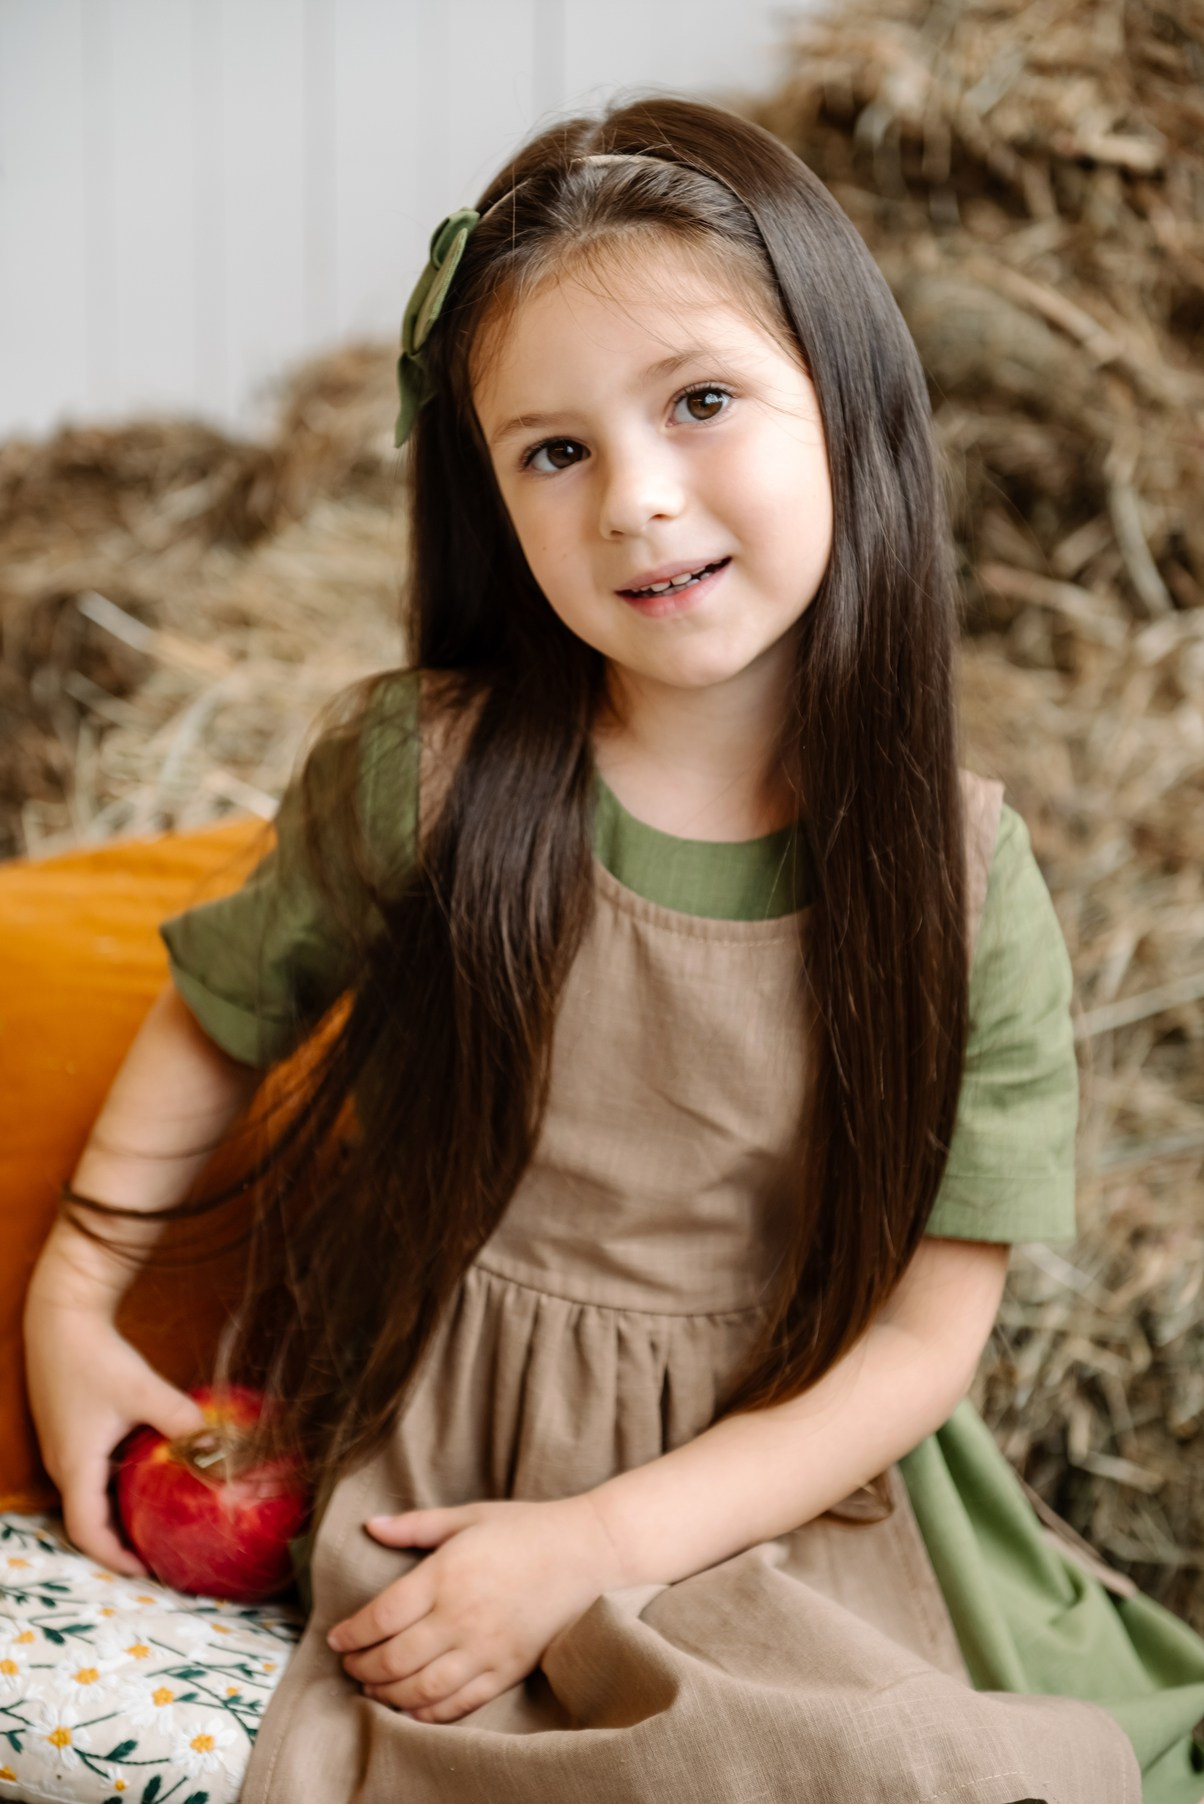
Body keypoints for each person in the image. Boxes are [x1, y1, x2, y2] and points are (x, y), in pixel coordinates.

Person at [23, 95, 1204, 1804]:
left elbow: (925, 1345)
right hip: (465, 1445)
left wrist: (602, 1542)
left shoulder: (956, 876)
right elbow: (222, 1011)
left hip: (777, 1493)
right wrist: (75, 1291)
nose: (639, 503)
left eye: (703, 403)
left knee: (882, 1766)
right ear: (491, 496)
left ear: (848, 409)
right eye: (552, 451)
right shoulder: (421, 771)